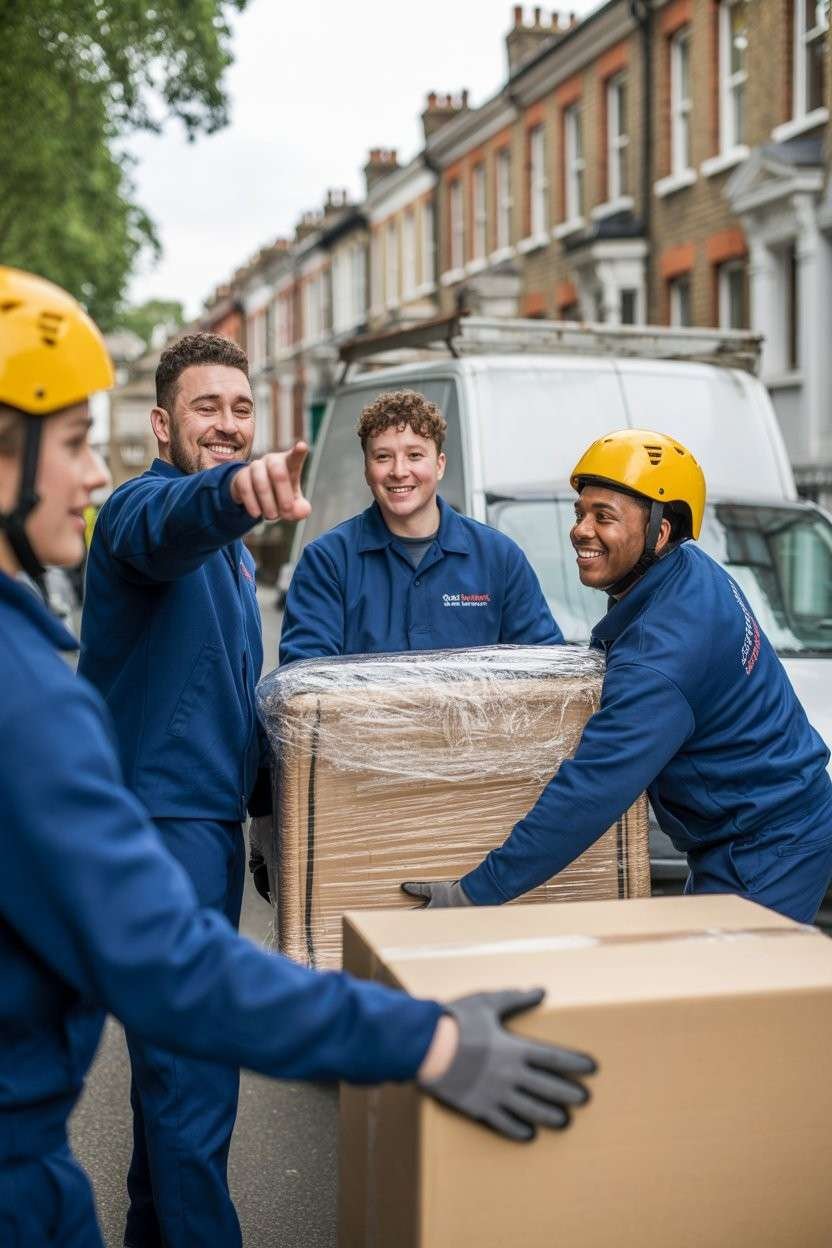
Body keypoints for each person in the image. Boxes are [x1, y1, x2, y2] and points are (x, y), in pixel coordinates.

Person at [0, 266, 596, 1247]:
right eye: (206, 409)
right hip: (163, 826)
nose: (230, 422)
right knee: (193, 1100)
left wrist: (275, 815)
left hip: (211, 824)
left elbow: (256, 704)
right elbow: (168, 523)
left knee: (176, 1110)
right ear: (159, 427)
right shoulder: (158, 518)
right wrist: (232, 492)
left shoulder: (237, 559)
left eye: (241, 408)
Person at [403, 428, 832, 925]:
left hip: (769, 846)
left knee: (729, 996)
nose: (581, 530)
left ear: (661, 532)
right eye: (580, 512)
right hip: (754, 830)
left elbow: (590, 793)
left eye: (604, 517)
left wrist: (474, 896)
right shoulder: (686, 571)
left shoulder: (663, 655)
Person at [278, 388, 563, 665]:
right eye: (383, 457)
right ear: (367, 470)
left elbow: (547, 669)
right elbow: (304, 685)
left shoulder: (499, 558)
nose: (399, 471)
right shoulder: (327, 562)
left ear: (439, 465)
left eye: (414, 455)